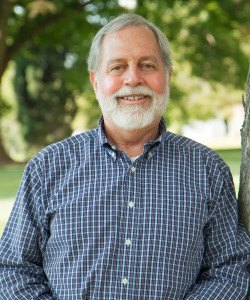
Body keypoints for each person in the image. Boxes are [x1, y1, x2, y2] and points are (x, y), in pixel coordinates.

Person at [0, 13, 249, 300]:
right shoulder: (47, 168)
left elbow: (229, 269)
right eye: (118, 67)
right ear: (96, 82)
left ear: (166, 76)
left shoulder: (207, 170)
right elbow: (14, 269)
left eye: (147, 65)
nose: (133, 78)